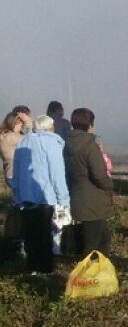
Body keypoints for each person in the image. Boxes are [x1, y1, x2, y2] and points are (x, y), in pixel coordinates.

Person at [11, 115, 70, 274]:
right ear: (50, 128)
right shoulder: (52, 144)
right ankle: (46, 270)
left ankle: (32, 268)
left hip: (26, 196)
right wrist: (64, 200)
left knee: (31, 234)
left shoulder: (23, 142)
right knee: (45, 236)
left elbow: (15, 173)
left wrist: (17, 196)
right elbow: (57, 174)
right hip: (46, 196)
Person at [64, 108, 114, 256]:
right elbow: (99, 175)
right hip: (94, 200)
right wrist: (109, 185)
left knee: (92, 238)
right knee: (97, 244)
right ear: (90, 124)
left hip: (77, 196)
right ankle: (91, 276)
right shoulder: (90, 146)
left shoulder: (67, 144)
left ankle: (92, 273)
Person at [0, 112, 24, 187]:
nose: (21, 125)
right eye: (19, 123)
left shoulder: (4, 135)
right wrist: (28, 123)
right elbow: (30, 140)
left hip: (9, 172)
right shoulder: (11, 137)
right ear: (13, 124)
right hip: (15, 173)